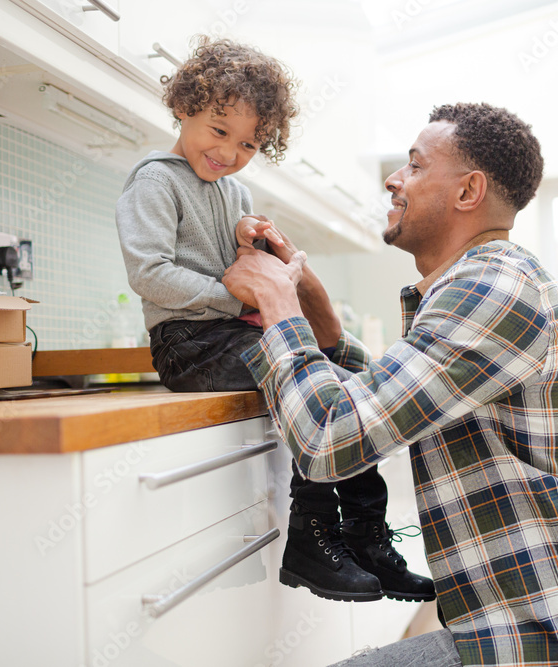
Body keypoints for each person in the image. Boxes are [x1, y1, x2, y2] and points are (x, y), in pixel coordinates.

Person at [222, 103, 558, 667]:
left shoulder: (491, 286)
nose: (393, 180)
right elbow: (397, 395)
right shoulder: (483, 279)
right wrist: (317, 315)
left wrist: (277, 301)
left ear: (468, 191)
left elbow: (330, 438)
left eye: (415, 165)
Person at [114, 36, 433, 604]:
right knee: (325, 392)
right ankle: (312, 537)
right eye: (219, 130)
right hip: (188, 344)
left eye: (248, 144)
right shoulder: (155, 181)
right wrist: (234, 296)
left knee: (346, 394)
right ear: (183, 107)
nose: (229, 152)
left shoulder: (234, 191)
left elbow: (239, 266)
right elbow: (149, 273)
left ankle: (365, 539)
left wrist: (249, 242)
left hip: (232, 335)